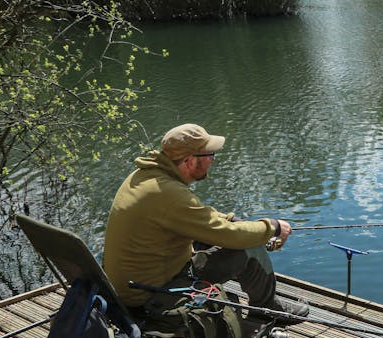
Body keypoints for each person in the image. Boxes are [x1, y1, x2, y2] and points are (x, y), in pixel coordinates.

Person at [103, 123, 308, 322]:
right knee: (248, 247)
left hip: (128, 288)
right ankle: (267, 309)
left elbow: (197, 217)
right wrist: (272, 227)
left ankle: (264, 303)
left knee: (217, 236)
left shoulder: (145, 176)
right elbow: (231, 235)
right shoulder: (171, 195)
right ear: (190, 161)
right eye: (209, 154)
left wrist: (230, 220)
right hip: (150, 296)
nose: (212, 160)